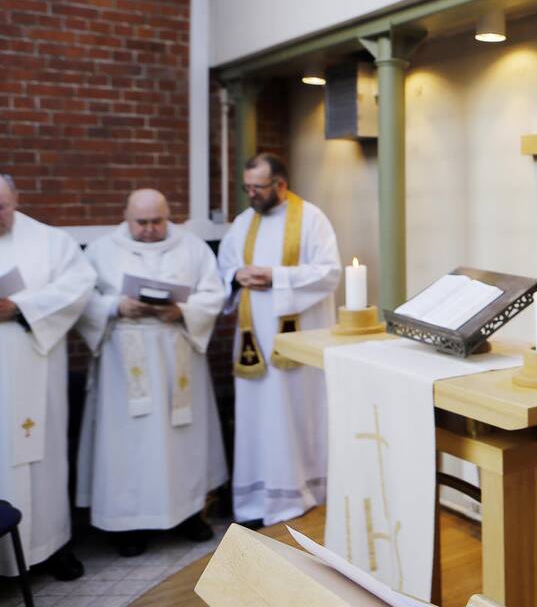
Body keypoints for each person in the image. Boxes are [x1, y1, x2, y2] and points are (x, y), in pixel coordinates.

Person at [75, 189, 228, 556]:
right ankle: (129, 524)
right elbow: (81, 299)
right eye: (141, 222)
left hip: (177, 355)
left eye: (156, 221)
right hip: (123, 362)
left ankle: (188, 513)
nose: (148, 229)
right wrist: (116, 306)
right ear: (126, 217)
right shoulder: (101, 250)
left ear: (167, 215)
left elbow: (214, 293)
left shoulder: (192, 247)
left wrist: (182, 311)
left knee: (183, 438)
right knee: (128, 444)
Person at [217, 153, 340, 526]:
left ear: (281, 184)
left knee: (295, 414)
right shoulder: (243, 222)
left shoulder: (312, 219)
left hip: (298, 341)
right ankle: (256, 501)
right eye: (247, 187)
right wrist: (237, 276)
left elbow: (329, 272)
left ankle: (303, 492)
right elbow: (225, 267)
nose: (251, 194)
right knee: (257, 418)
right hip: (254, 341)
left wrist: (276, 277)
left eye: (258, 187)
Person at [0, 174, 96, 581]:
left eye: (1, 207)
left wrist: (20, 307)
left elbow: (78, 287)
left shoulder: (52, 242)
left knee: (44, 459)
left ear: (16, 199)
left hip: (36, 366)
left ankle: (52, 546)